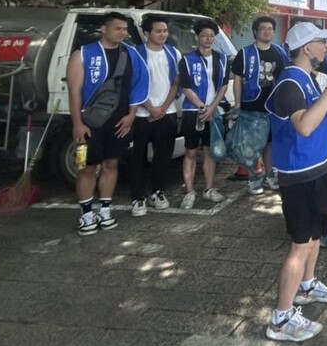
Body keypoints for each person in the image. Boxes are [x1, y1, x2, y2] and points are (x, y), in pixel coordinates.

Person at [264, 22, 327, 342]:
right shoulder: (290, 83)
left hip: (316, 169)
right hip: (298, 175)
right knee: (299, 245)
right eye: (321, 43)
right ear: (306, 48)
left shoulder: (309, 78)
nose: (326, 48)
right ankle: (281, 318)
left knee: (315, 235)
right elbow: (304, 126)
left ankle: (308, 285)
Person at [67, 12, 148, 235]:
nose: (122, 33)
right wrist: (77, 123)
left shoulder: (131, 54)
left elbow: (139, 86)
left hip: (119, 121)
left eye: (125, 29)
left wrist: (131, 115)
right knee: (86, 167)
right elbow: (74, 91)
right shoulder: (83, 54)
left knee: (111, 164)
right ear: (104, 28)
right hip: (89, 122)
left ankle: (105, 209)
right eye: (117, 28)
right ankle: (85, 214)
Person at [232, 16, 289, 195]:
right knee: (251, 145)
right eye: (263, 28)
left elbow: (284, 78)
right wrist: (238, 102)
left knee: (270, 143)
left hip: (272, 106)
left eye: (270, 29)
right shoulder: (245, 53)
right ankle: (253, 178)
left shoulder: (279, 52)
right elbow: (237, 80)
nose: (267, 31)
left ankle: (270, 175)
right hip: (251, 105)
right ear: (255, 32)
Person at [131, 15, 181, 216]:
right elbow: (132, 85)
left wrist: (162, 108)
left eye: (165, 31)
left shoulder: (173, 52)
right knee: (138, 158)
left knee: (163, 156)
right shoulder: (137, 53)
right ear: (146, 33)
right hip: (141, 114)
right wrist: (150, 108)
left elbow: (176, 82)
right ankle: (137, 197)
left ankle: (158, 192)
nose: (163, 35)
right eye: (158, 31)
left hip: (167, 112)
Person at [178, 19, 230, 209]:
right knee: (191, 151)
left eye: (211, 36)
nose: (208, 39)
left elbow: (224, 85)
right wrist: (202, 107)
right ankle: (189, 191)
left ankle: (209, 189)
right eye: (204, 35)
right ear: (197, 37)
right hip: (193, 111)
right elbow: (185, 87)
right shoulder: (187, 59)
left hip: (214, 111)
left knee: (210, 151)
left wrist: (212, 107)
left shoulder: (222, 59)